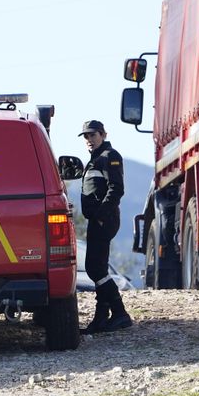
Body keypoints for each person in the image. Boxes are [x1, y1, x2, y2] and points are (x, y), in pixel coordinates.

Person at [78, 120, 132, 334]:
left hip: (104, 220)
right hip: (97, 220)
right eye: (86, 136)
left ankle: (120, 313)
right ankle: (101, 317)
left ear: (103, 134)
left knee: (94, 267)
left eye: (93, 135)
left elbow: (116, 189)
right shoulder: (94, 160)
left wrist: (100, 215)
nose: (89, 140)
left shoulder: (110, 156)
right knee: (97, 267)